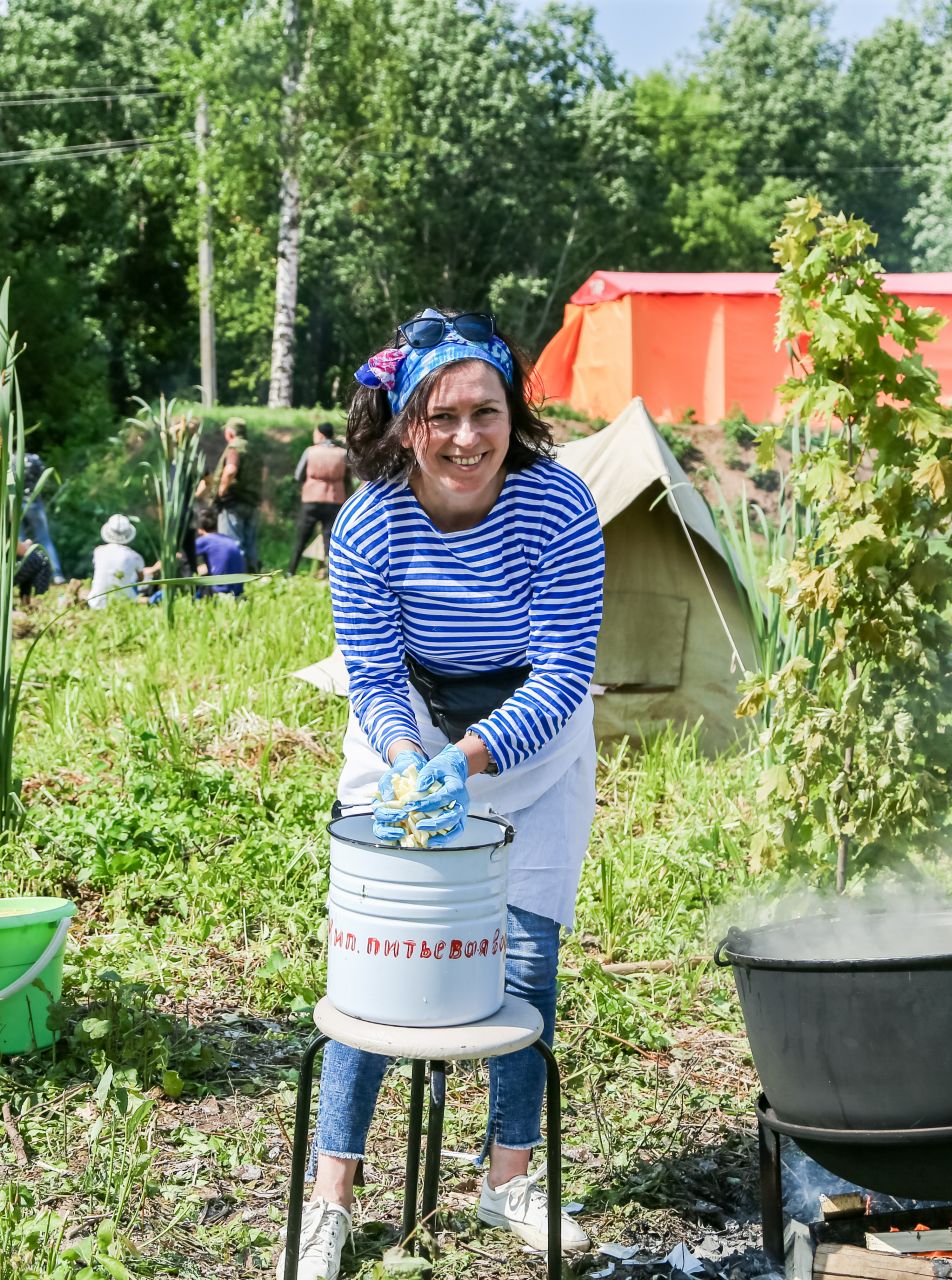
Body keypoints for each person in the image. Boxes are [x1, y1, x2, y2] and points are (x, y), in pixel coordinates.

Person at [278, 308, 605, 1279]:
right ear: (406, 422)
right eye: (443, 414)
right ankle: (330, 1195)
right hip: (409, 722)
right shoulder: (374, 518)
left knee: (524, 956)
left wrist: (467, 761)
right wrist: (408, 755)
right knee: (374, 954)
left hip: (531, 740)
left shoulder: (559, 504)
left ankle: (508, 1177)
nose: (467, 437)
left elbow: (560, 671)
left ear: (515, 415)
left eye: (487, 412)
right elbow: (374, 677)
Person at [288, 422, 351, 575]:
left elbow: (298, 475)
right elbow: (348, 478)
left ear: (321, 435)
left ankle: (291, 571)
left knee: (302, 538)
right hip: (334, 499)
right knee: (330, 540)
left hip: (311, 500)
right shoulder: (342, 454)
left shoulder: (310, 451)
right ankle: (331, 574)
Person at [214, 417, 262, 573]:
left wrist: (221, 491)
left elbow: (230, 470)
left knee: (232, 543)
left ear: (230, 433)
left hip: (233, 502)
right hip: (252, 501)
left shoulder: (234, 448)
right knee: (250, 543)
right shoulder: (253, 449)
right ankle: (251, 575)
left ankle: (235, 578)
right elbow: (264, 473)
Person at [19, 451, 65, 584]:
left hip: (17, 503)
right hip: (35, 502)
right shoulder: (35, 459)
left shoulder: (12, 459)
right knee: (44, 539)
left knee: (20, 539)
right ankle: (57, 574)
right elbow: (42, 478)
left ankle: (23, 572)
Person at [88, 513, 144, 608]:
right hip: (125, 602)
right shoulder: (135, 557)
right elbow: (141, 579)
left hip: (96, 603)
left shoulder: (98, 551)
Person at [190, 505, 245, 598]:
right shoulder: (228, 540)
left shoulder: (205, 540)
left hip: (221, 593)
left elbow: (178, 555)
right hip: (238, 592)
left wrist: (155, 570)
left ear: (199, 530)